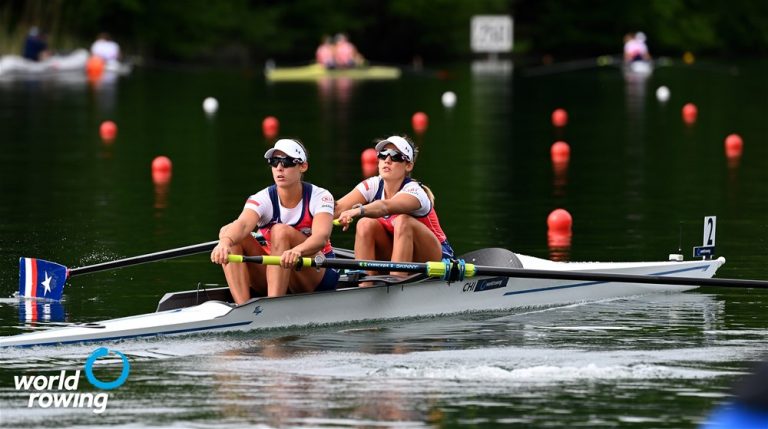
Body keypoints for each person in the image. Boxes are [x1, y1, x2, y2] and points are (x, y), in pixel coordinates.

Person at [210, 139, 338, 304]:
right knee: (230, 233)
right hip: (277, 270)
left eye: (286, 162)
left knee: (280, 231)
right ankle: (243, 308)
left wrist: (297, 251)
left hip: (317, 273)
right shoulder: (262, 198)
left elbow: (321, 237)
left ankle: (273, 306)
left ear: (303, 166)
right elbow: (242, 224)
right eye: (274, 162)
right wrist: (225, 242)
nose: (279, 168)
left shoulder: (320, 196)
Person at [335, 135, 453, 284]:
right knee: (365, 223)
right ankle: (365, 286)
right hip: (400, 255)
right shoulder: (373, 185)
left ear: (408, 165)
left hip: (436, 258)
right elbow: (337, 208)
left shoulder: (415, 191)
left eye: (396, 156)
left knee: (403, 221)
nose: (387, 160)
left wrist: (357, 211)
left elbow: (385, 206)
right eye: (383, 155)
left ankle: (397, 285)